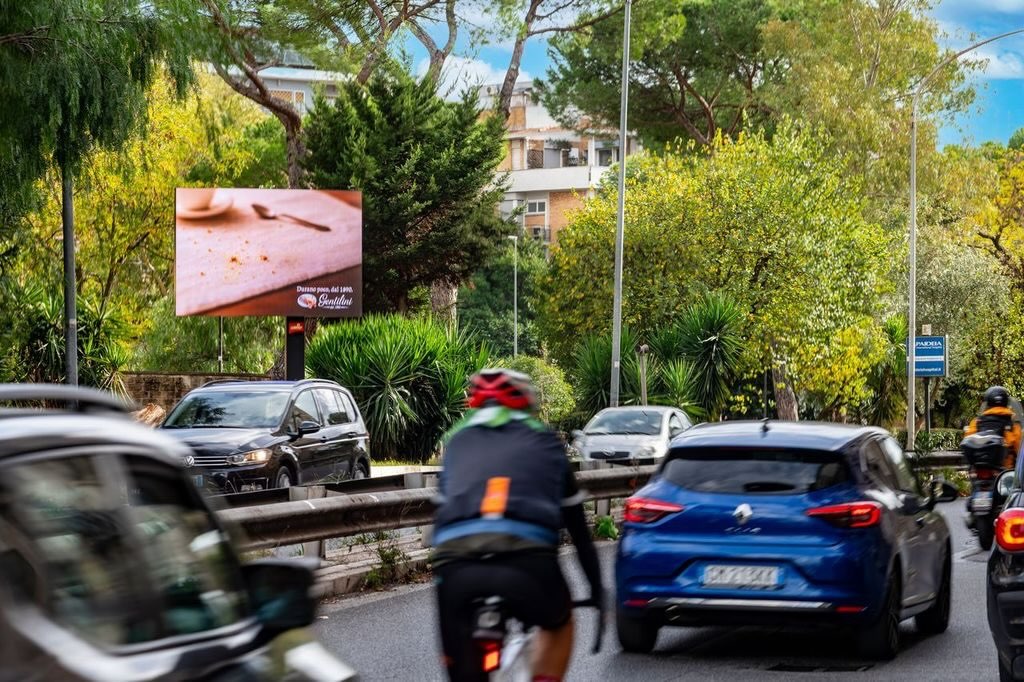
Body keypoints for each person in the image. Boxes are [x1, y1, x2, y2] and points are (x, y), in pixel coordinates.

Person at [432, 368, 604, 682]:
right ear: (526, 404)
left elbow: (441, 514)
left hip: (455, 569)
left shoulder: (455, 440)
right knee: (559, 623)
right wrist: (596, 590)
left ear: (474, 404)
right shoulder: (545, 440)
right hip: (528, 564)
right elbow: (579, 532)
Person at [965, 385, 1023, 470]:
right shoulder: (1012, 425)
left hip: (979, 469)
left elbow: (967, 439)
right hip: (1004, 471)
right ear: (1006, 402)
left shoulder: (977, 422)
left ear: (988, 402)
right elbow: (1020, 450)